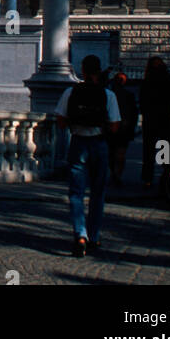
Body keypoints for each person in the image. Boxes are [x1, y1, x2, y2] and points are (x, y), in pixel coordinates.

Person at [56, 55, 120, 257]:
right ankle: (94, 236)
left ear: (82, 71)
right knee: (98, 193)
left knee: (76, 193)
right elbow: (115, 124)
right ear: (99, 70)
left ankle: (80, 234)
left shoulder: (70, 92)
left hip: (78, 142)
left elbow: (60, 120)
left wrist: (76, 125)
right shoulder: (108, 95)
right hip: (99, 144)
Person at [139, 55, 170, 189]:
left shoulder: (146, 82)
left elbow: (142, 102)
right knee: (164, 149)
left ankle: (147, 179)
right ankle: (165, 175)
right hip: (165, 120)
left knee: (148, 151)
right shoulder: (167, 81)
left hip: (150, 120)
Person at [107, 71, 138, 184]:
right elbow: (134, 114)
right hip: (121, 128)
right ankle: (116, 174)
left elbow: (133, 113)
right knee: (117, 154)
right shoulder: (112, 95)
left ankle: (116, 174)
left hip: (119, 128)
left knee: (115, 153)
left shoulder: (110, 94)